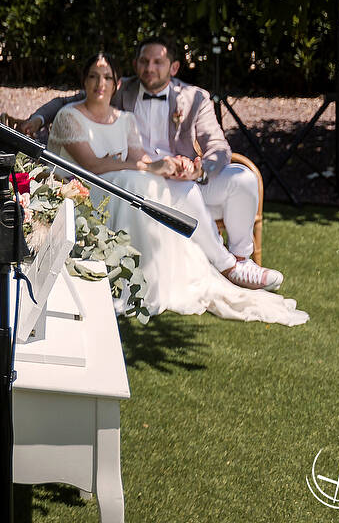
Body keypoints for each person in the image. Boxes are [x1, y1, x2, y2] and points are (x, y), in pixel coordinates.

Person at [43, 52, 307, 324]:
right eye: (94, 76)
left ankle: (229, 261)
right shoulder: (81, 111)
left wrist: (193, 168)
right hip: (88, 189)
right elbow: (93, 163)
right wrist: (39, 119)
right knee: (142, 182)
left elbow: (207, 148)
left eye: (107, 77)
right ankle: (224, 265)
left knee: (240, 179)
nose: (101, 83)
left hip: (173, 177)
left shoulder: (182, 101)